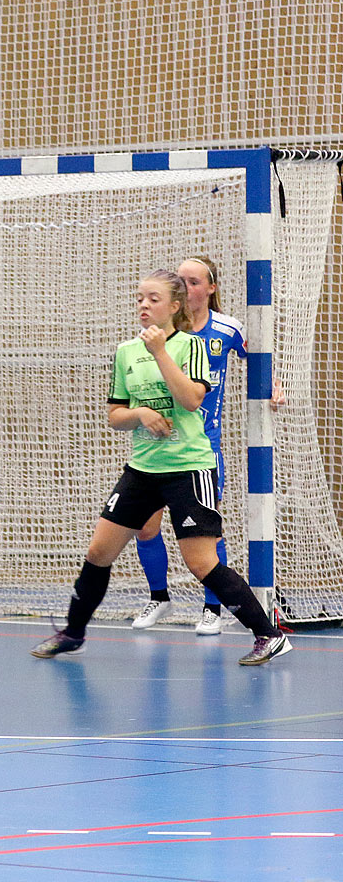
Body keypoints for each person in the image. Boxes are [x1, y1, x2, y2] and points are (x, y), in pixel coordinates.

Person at [32, 269, 292, 666]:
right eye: (139, 298)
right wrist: (139, 413)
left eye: (153, 299)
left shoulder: (191, 346)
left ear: (174, 307)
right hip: (142, 469)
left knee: (202, 562)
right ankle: (73, 632)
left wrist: (160, 353)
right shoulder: (125, 352)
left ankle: (268, 635)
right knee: (100, 551)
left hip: (189, 467)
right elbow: (114, 415)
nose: (143, 305)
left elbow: (191, 400)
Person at [130, 255, 284, 635]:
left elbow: (258, 360)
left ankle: (212, 607)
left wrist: (273, 385)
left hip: (201, 449)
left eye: (195, 281)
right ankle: (159, 597)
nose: (187, 286)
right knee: (145, 526)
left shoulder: (227, 329)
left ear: (211, 287)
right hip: (156, 447)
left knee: (206, 533)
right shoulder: (161, 333)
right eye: (181, 281)